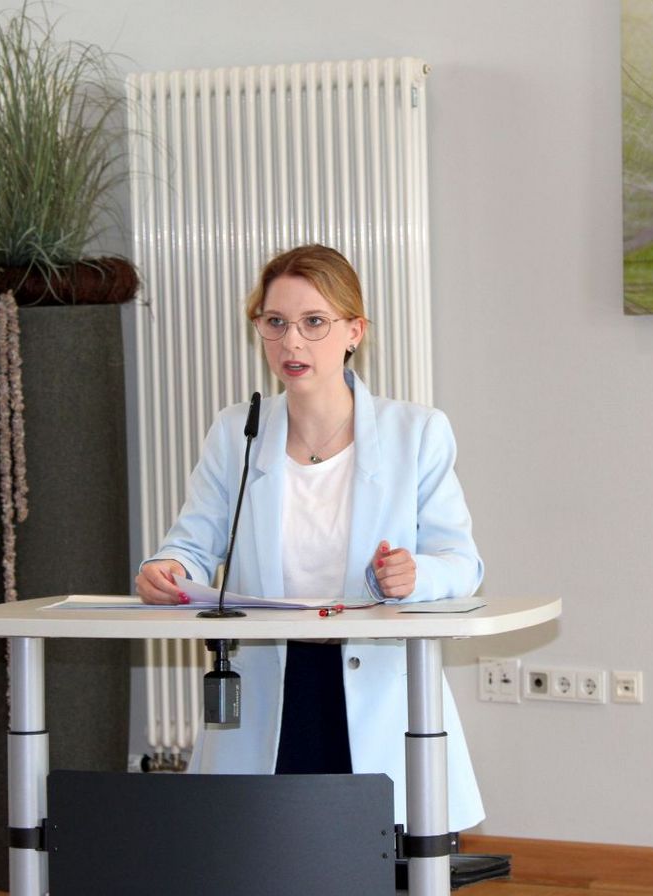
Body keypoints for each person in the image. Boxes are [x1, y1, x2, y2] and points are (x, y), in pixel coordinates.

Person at [136, 244, 485, 831]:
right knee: (262, 855)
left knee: (378, 856)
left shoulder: (416, 432)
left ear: (354, 331)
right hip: (269, 681)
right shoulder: (236, 432)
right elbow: (191, 546)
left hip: (375, 685)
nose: (291, 342)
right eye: (275, 322)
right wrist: (167, 568)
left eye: (313, 322)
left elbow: (463, 563)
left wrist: (415, 574)